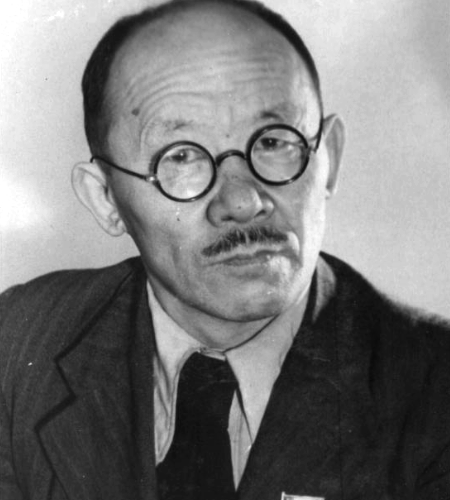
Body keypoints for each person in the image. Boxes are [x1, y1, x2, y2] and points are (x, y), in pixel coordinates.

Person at [1, 0, 449, 498]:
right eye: (182, 156)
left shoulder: (435, 390)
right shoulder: (17, 344)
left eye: (273, 142)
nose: (242, 201)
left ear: (329, 159)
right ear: (106, 199)